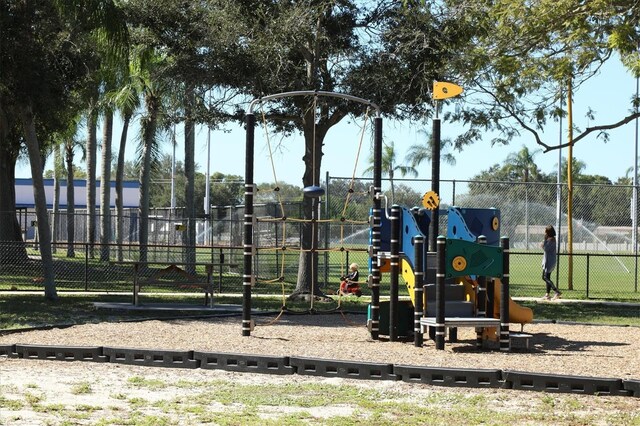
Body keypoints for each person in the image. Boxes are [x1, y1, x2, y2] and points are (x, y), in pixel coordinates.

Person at [541, 225, 561, 300]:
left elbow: (545, 248)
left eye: (545, 231)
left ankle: (556, 291)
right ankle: (547, 295)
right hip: (548, 261)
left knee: (545, 277)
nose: (544, 232)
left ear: (548, 232)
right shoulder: (550, 239)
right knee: (547, 277)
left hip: (549, 261)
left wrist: (544, 241)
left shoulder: (551, 240)